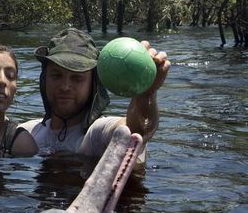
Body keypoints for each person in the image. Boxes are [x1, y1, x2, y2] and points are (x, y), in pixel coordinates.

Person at [21, 28, 170, 161]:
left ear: (93, 84)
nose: (65, 86)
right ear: (44, 79)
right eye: (56, 75)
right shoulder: (26, 134)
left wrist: (146, 94)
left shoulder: (97, 135)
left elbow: (135, 132)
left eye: (77, 77)